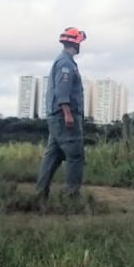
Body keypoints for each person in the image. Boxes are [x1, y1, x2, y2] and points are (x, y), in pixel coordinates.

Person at [35, 27, 87, 200]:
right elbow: (62, 91)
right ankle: (71, 196)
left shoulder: (64, 61)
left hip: (56, 117)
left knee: (53, 156)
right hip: (64, 116)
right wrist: (68, 114)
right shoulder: (66, 63)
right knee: (75, 156)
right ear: (76, 42)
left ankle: (40, 194)